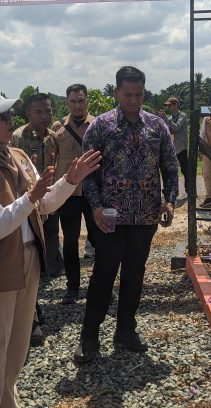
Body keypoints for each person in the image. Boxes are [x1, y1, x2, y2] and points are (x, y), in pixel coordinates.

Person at [0, 90, 101, 408]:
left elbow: (45, 203)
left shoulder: (16, 157)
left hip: (27, 263)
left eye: (10, 115)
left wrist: (70, 180)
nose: (10, 121)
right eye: (1, 117)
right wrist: (31, 197)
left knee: (15, 354)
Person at [74, 66, 177, 364]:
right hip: (110, 216)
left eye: (139, 94)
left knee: (134, 274)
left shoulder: (156, 127)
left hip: (145, 216)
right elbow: (88, 174)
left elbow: (170, 168)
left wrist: (169, 201)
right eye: (128, 94)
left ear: (145, 91)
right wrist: (94, 207)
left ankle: (125, 330)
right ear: (116, 92)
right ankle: (89, 337)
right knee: (104, 274)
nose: (134, 100)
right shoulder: (102, 127)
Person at [10, 93, 61, 345]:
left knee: (45, 254)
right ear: (28, 114)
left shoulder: (53, 137)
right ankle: (31, 319)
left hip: (47, 206)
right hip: (26, 208)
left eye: (48, 111)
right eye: (39, 112)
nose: (45, 116)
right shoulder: (18, 138)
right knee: (26, 261)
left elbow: (56, 169)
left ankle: (34, 307)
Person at [50, 84, 96, 305]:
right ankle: (72, 288)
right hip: (69, 195)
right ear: (67, 103)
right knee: (69, 242)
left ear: (87, 101)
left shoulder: (99, 125)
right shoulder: (57, 129)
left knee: (100, 241)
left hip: (94, 193)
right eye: (73, 101)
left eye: (81, 100)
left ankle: (100, 286)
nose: (78, 105)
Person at [160, 96, 189, 194]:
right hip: (172, 148)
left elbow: (176, 127)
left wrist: (165, 119)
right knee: (172, 170)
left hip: (181, 147)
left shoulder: (183, 115)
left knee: (185, 170)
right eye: (167, 106)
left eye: (170, 105)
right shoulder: (170, 118)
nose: (168, 108)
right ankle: (173, 190)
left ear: (176, 105)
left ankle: (189, 191)